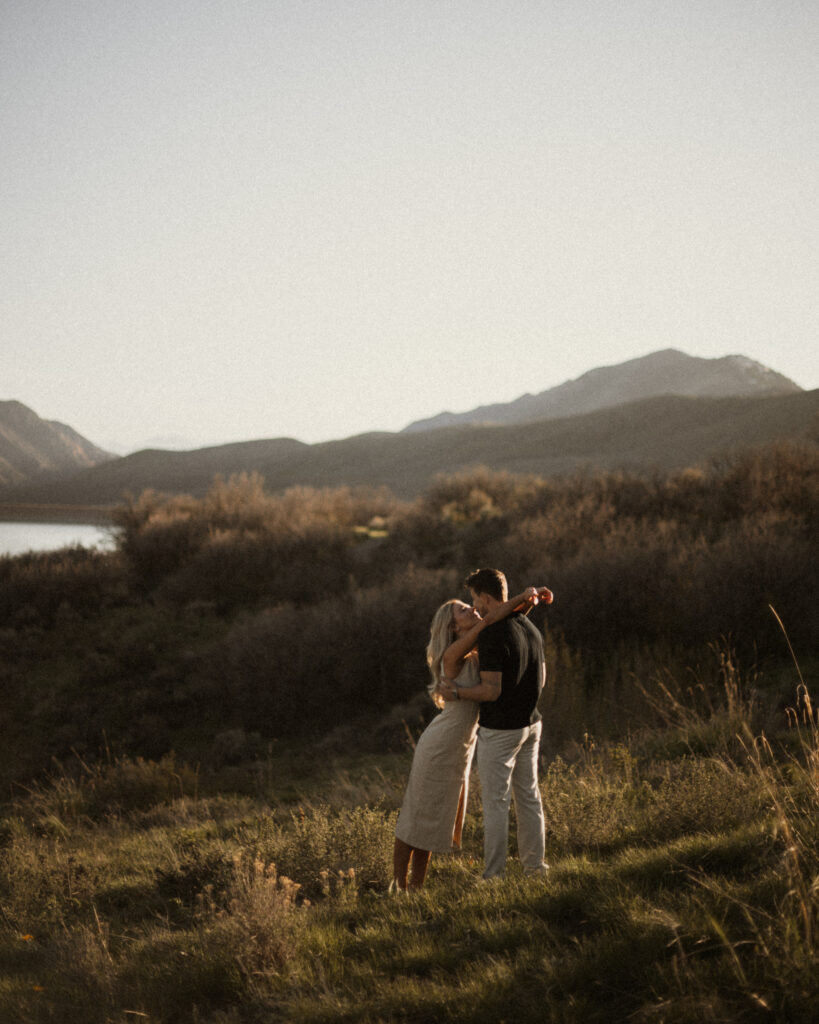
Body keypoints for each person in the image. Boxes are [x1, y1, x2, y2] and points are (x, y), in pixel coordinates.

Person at [391, 586, 541, 891]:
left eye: (471, 606)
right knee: (415, 819)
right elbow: (492, 619)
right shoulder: (453, 655)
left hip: (461, 749)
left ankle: (416, 891)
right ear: (453, 626)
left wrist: (530, 603)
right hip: (440, 746)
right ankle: (397, 887)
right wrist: (523, 597)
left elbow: (502, 622)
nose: (473, 610)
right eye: (463, 610)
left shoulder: (479, 648)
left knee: (433, 824)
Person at [438, 568, 551, 880]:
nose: (476, 606)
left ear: (485, 597)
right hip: (532, 724)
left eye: (475, 599)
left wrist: (457, 692)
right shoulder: (529, 626)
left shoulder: (492, 636)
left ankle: (494, 876)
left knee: (496, 803)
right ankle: (535, 868)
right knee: (529, 797)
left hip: (501, 730)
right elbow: (542, 678)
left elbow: (491, 690)